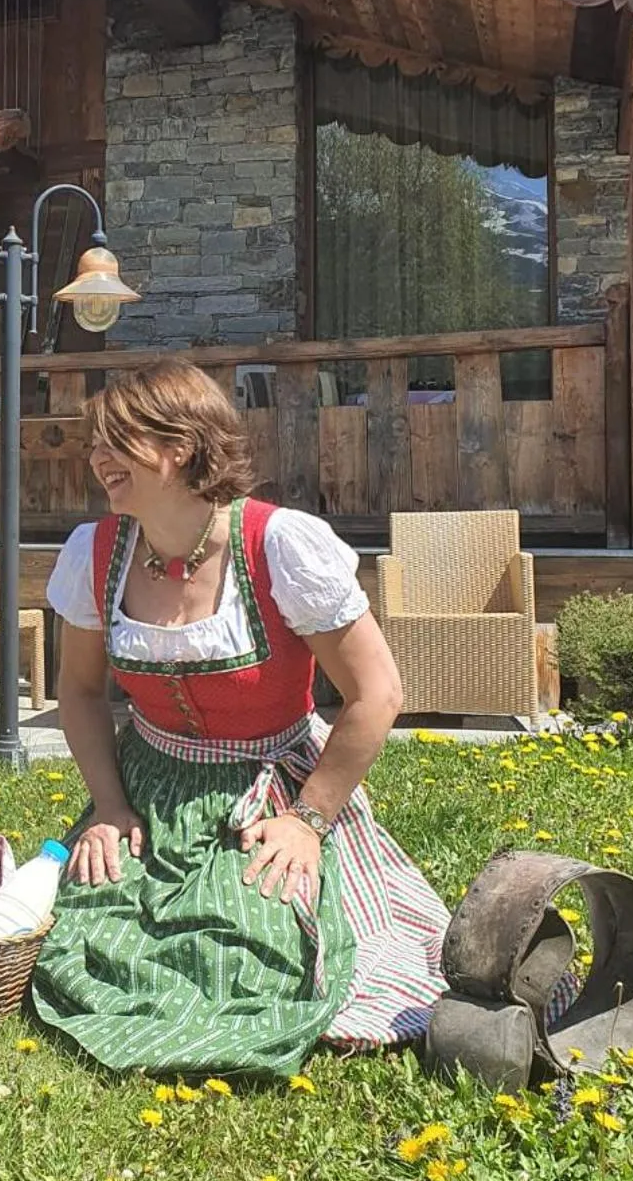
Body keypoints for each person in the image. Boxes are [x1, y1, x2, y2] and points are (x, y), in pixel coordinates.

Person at [31, 359, 448, 1077]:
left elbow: (377, 694)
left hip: (273, 792)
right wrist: (107, 806)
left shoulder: (279, 545)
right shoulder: (95, 553)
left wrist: (308, 820)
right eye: (95, 443)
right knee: (80, 935)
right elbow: (80, 691)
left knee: (255, 952)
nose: (97, 459)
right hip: (147, 790)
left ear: (182, 448)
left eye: (116, 442)